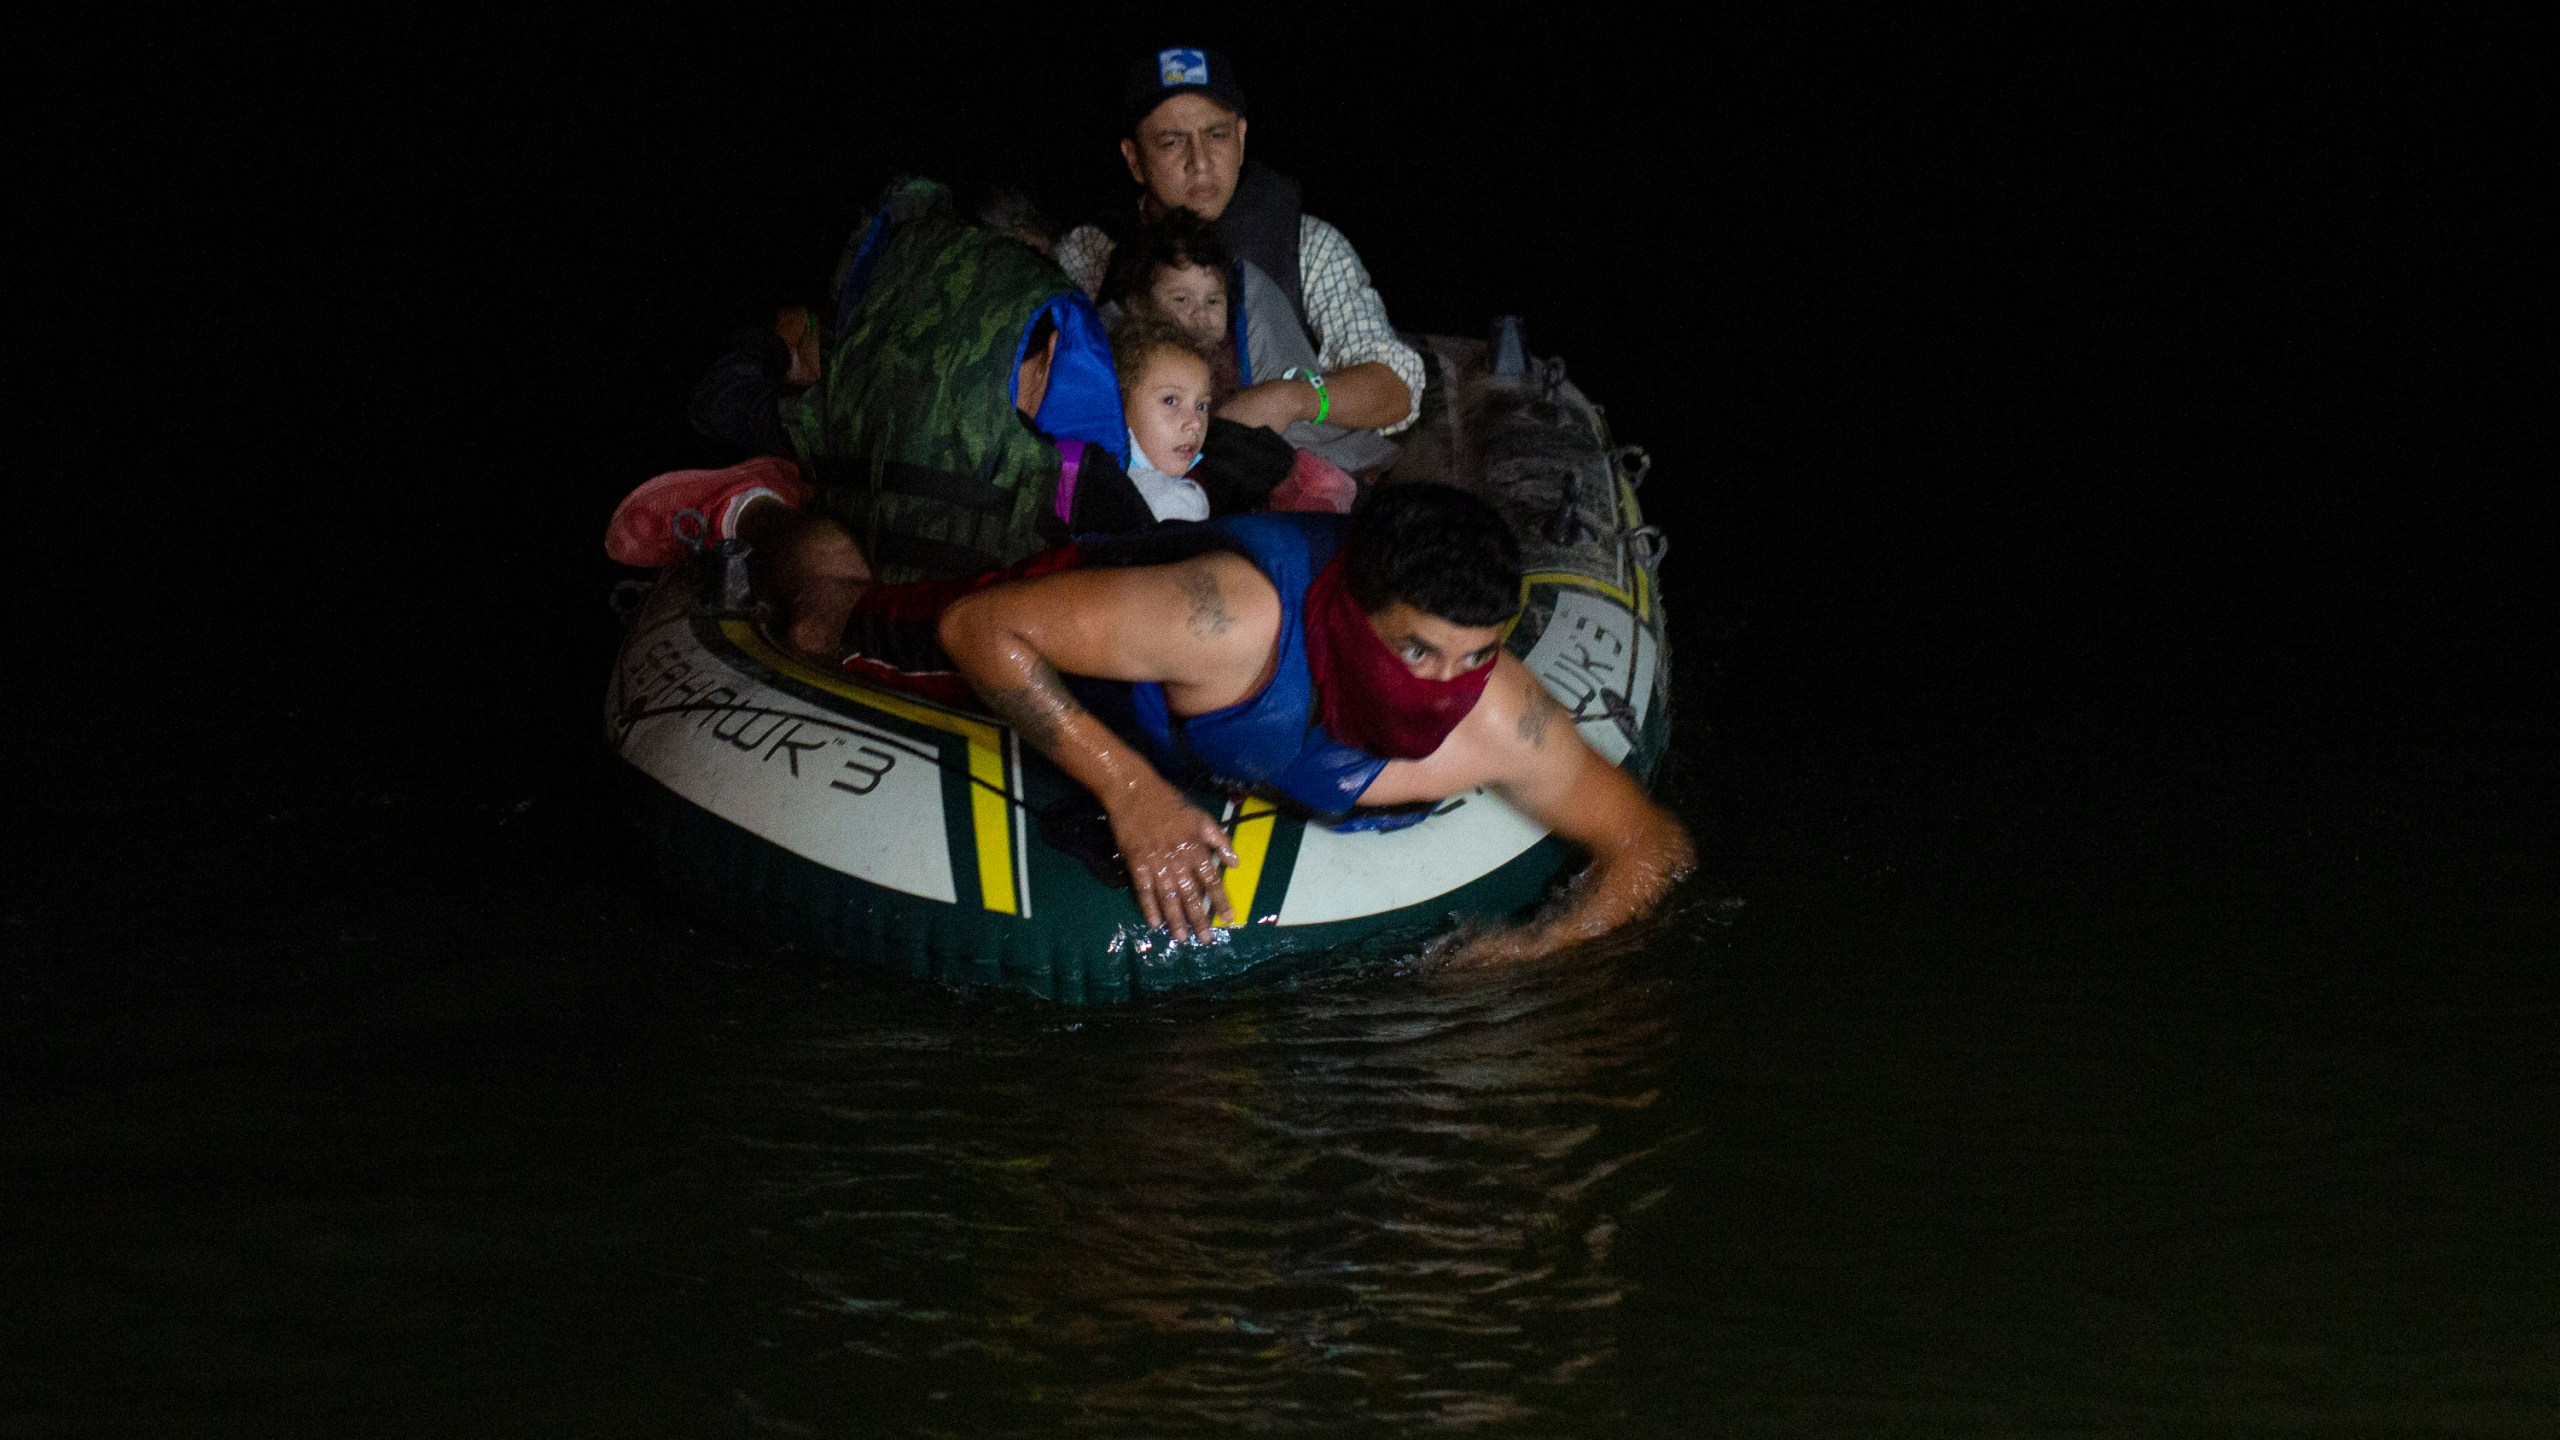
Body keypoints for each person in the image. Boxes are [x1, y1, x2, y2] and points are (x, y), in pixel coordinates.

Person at [821, 484, 1694, 960]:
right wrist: (1132, 790)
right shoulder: (1232, 622)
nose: (1445, 688)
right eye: (1417, 652)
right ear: (1352, 610)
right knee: (826, 622)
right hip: (1097, 639)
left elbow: (1651, 845)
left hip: (1202, 709)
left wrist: (1530, 951)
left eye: (1473, 658)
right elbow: (980, 631)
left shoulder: (1504, 717)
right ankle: (788, 527)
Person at [1057, 47, 1425, 473]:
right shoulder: (1093, 253)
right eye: (1172, 142)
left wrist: (1291, 398)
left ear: (1242, 136)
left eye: (1216, 135)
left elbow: (1397, 388)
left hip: (1286, 496)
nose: (1201, 163)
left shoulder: (1306, 243)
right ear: (1135, 159)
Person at [1108, 310, 1214, 522]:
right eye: (1171, 401)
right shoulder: (1167, 502)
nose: (1195, 423)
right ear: (1119, 403)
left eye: (1201, 406)